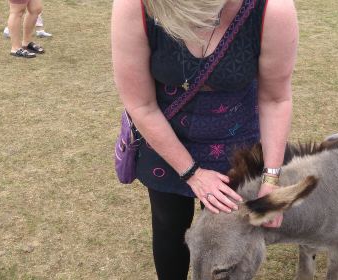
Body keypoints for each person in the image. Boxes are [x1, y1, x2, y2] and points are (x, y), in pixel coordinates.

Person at [111, 0, 298, 279]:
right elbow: (140, 105)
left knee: (228, 232)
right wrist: (192, 173)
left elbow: (275, 99)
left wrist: (271, 179)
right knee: (168, 225)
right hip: (164, 137)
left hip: (236, 141)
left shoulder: (273, 8)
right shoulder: (135, 5)